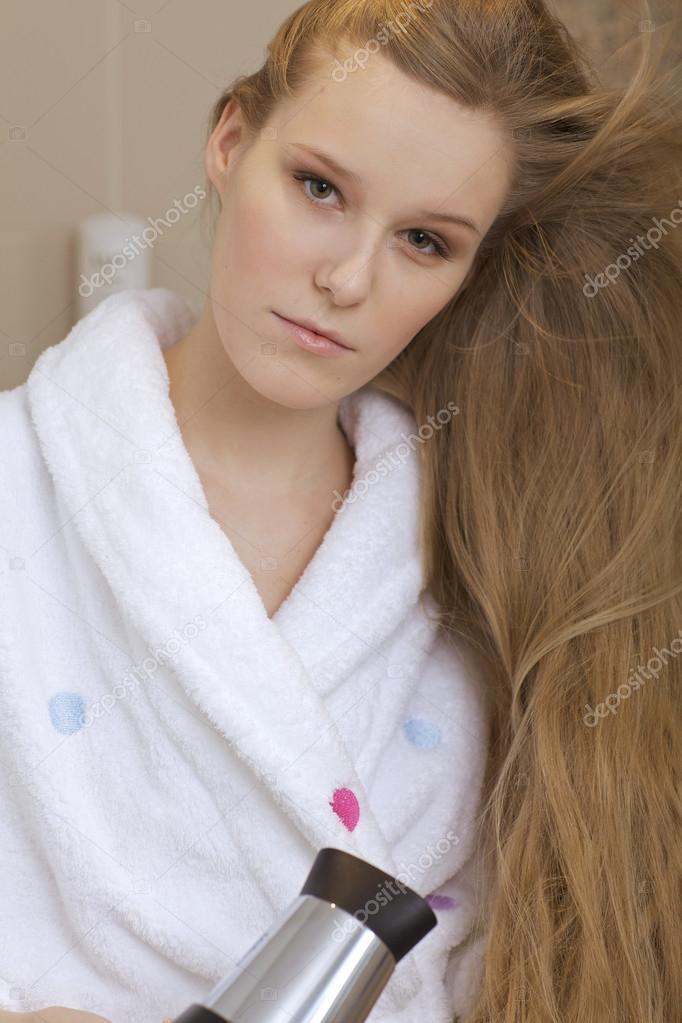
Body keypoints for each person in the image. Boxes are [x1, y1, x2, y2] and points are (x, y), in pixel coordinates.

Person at [1, 0, 680, 1021]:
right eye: (319, 188)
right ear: (231, 141)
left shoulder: (481, 555)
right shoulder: (18, 491)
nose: (346, 279)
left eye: (423, 240)